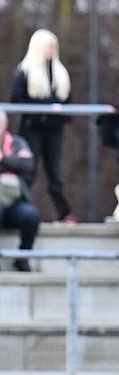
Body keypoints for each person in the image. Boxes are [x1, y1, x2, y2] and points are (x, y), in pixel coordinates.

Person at [10, 29, 75, 222]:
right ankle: (22, 207)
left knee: (55, 171)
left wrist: (61, 115)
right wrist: (43, 109)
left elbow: (67, 100)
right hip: (32, 127)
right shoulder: (25, 70)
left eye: (54, 46)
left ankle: (64, 212)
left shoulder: (60, 72)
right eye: (48, 46)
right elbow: (17, 99)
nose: (52, 50)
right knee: (28, 170)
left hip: (54, 129)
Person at [0, 109, 41, 271]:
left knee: (32, 215)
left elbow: (27, 164)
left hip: (16, 203)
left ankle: (23, 258)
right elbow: (20, 162)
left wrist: (4, 159)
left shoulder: (17, 142)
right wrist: (13, 163)